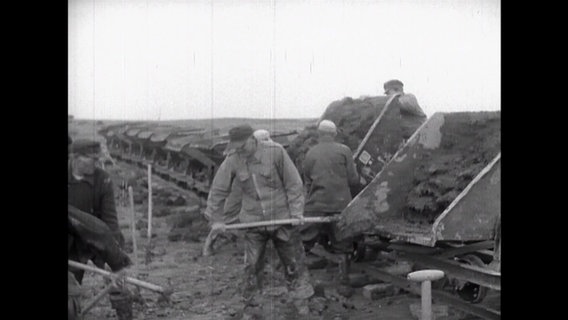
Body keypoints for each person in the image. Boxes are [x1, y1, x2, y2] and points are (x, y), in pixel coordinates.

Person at [203, 124, 312, 315]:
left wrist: (296, 213)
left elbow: (293, 183)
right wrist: (217, 219)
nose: (240, 151)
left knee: (293, 262)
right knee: (252, 266)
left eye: (243, 147)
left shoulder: (275, 153)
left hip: (282, 219)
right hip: (253, 221)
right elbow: (219, 190)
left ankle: (301, 302)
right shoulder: (233, 159)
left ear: (253, 140)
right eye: (236, 148)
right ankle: (251, 307)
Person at [68, 139, 132, 320]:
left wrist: (116, 259)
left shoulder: (102, 179)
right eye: (92, 159)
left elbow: (110, 220)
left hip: (96, 236)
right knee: (71, 292)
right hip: (70, 242)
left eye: (98, 159)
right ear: (75, 157)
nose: (97, 163)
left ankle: (125, 315)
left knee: (120, 280)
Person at [301, 120, 359, 258]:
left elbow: (307, 180)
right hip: (341, 205)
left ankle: (296, 273)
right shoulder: (345, 150)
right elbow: (353, 180)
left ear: (319, 134)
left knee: (303, 241)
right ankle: (343, 276)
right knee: (343, 244)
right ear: (334, 134)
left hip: (316, 206)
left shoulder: (310, 152)